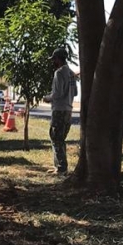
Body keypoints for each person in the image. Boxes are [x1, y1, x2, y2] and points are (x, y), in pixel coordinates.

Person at [43, 47, 77, 175]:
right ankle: (60, 166)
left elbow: (57, 93)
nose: (53, 62)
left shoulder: (59, 73)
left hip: (58, 109)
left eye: (54, 59)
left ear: (58, 59)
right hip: (68, 109)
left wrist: (48, 98)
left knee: (55, 137)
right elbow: (75, 92)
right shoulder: (71, 73)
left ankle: (61, 167)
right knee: (61, 138)